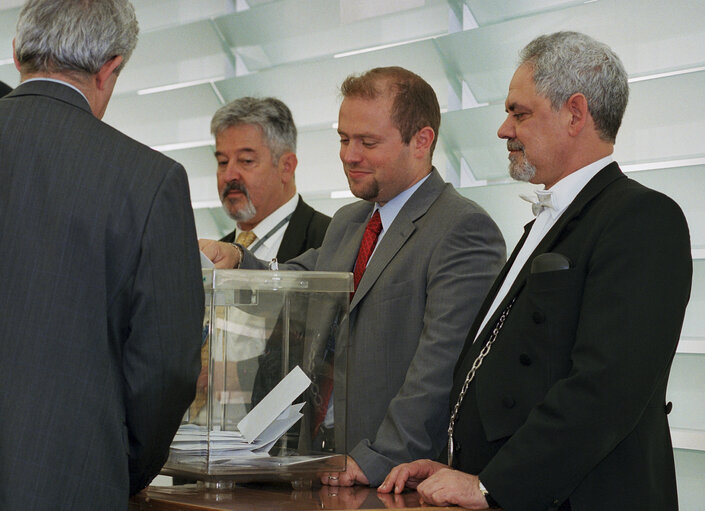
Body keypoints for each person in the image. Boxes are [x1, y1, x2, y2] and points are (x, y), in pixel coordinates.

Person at [379, 32, 692, 511]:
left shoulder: (644, 219)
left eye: (519, 113)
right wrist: (461, 468)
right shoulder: (546, 221)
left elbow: (605, 390)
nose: (504, 130)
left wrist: (490, 487)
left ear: (575, 113)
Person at [200, 66, 506, 487]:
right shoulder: (350, 221)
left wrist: (379, 457)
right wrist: (235, 257)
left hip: (394, 480)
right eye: (344, 139)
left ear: (421, 141)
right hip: (322, 467)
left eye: (367, 142)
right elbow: (298, 276)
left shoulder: (463, 228)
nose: (349, 155)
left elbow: (439, 367)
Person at [0, 1, 204, 509]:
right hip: (68, 482)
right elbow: (167, 367)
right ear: (111, 68)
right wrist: (118, 463)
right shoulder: (149, 181)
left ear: (16, 53)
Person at [213, 97, 330, 261]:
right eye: (223, 162)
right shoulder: (214, 258)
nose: (229, 175)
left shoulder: (331, 242)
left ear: (286, 167)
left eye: (246, 161)